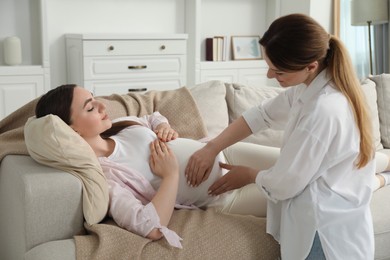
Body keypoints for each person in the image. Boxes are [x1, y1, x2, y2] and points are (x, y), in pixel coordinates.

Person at [185, 14, 375, 259]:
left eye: (278, 71)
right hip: (332, 224)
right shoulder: (309, 90)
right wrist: (211, 147)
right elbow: (261, 115)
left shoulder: (323, 110)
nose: (269, 76)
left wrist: (250, 175)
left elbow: (287, 183)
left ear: (311, 66)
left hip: (323, 234)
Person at [34, 84, 271, 249]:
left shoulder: (118, 126)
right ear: (72, 130)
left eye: (95, 99)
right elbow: (150, 227)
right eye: (90, 108)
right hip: (224, 196)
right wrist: (170, 176)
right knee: (298, 194)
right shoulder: (107, 176)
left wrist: (162, 127)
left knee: (300, 168)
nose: (103, 106)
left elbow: (151, 116)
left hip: (225, 151)